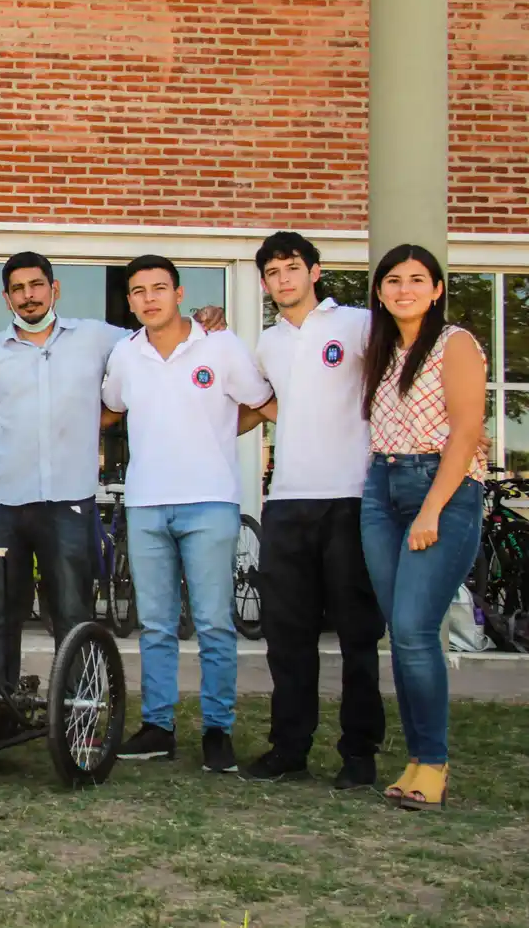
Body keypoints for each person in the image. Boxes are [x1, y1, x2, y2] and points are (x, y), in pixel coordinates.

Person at [0, 252, 225, 685]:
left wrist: (203, 318)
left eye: (37, 285)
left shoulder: (99, 338)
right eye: (18, 289)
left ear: (54, 288)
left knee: (72, 614)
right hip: (2, 503)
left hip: (69, 502)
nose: (29, 296)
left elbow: (156, 335)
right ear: (7, 299)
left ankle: (76, 715)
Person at [101, 254, 272, 773]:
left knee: (214, 624)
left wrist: (220, 431)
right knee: (154, 625)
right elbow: (110, 410)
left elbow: (263, 402)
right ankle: (158, 727)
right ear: (130, 302)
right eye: (138, 291)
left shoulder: (220, 345)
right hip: (147, 503)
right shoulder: (125, 354)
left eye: (158, 288)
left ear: (179, 293)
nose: (149, 298)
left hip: (210, 502)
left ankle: (217, 731)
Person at [240, 233, 385, 789]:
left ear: (315, 271)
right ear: (264, 282)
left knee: (356, 636)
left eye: (292, 268)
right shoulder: (267, 345)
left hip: (350, 497)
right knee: (288, 637)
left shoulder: (358, 324)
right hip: (287, 502)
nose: (283, 279)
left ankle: (358, 753)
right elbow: (263, 404)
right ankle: (290, 748)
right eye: (273, 272)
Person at [360, 244, 487, 812]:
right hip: (380, 489)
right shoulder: (382, 349)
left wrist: (433, 509)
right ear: (380, 291)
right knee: (401, 633)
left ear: (436, 289)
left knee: (414, 628)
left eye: (416, 279)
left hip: (443, 489)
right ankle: (415, 760)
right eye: (392, 280)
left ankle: (433, 761)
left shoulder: (454, 343)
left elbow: (465, 433)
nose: (403, 289)